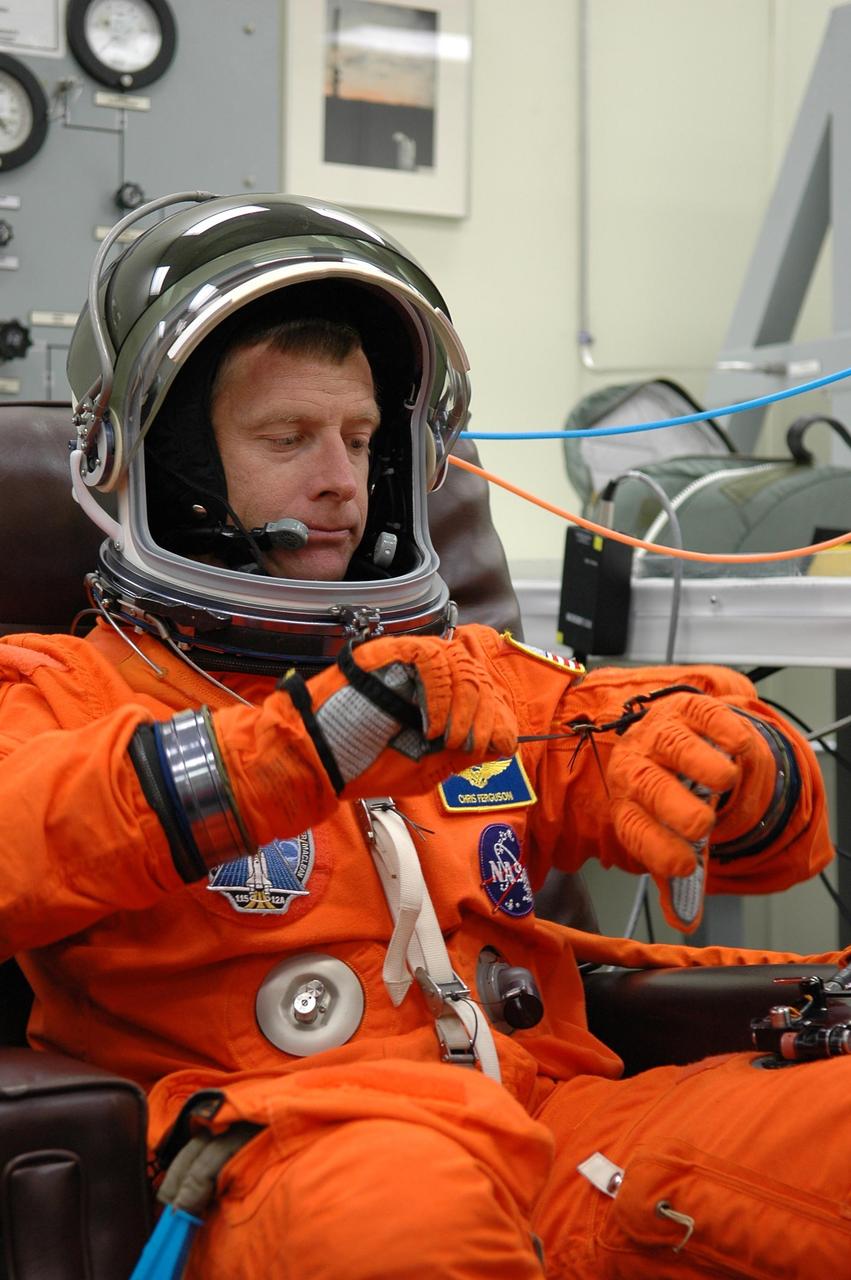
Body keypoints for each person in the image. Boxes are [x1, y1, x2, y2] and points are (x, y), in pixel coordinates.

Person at [0, 192, 845, 1280]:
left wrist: (745, 769)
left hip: (556, 1129)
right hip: (299, 1152)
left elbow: (718, 808)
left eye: (358, 439)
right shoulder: (62, 690)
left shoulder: (462, 678)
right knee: (413, 1216)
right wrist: (297, 750)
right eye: (286, 438)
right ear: (164, 461)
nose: (341, 480)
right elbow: (31, 831)